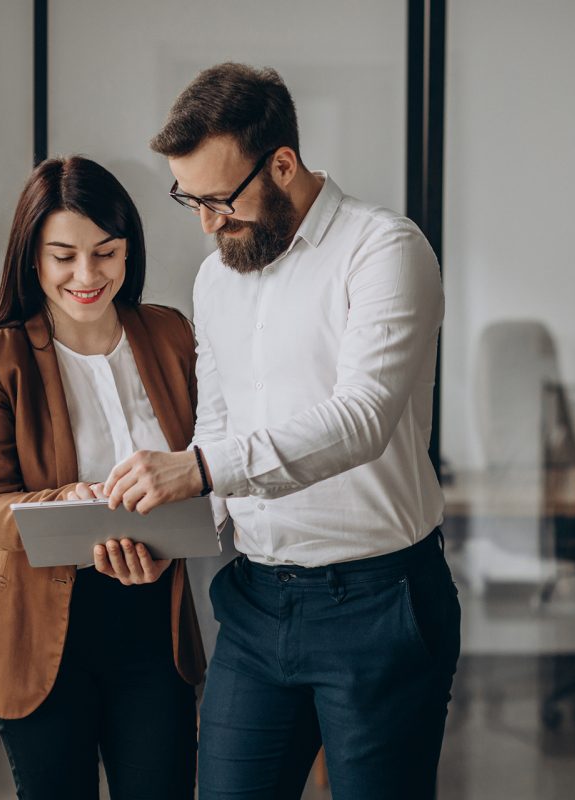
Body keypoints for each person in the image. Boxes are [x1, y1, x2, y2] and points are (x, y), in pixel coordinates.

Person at [103, 63, 461, 799]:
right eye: (189, 200)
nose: (206, 222)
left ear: (283, 164)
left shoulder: (385, 251)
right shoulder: (218, 277)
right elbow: (220, 422)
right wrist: (164, 530)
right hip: (257, 603)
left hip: (380, 600)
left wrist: (199, 469)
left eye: (218, 199)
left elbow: (362, 419)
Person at [0, 155, 205, 800]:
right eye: (63, 255)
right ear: (31, 258)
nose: (87, 275)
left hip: (154, 622)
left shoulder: (171, 334)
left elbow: (211, 464)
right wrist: (67, 501)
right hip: (38, 635)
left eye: (106, 252)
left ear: (129, 252)